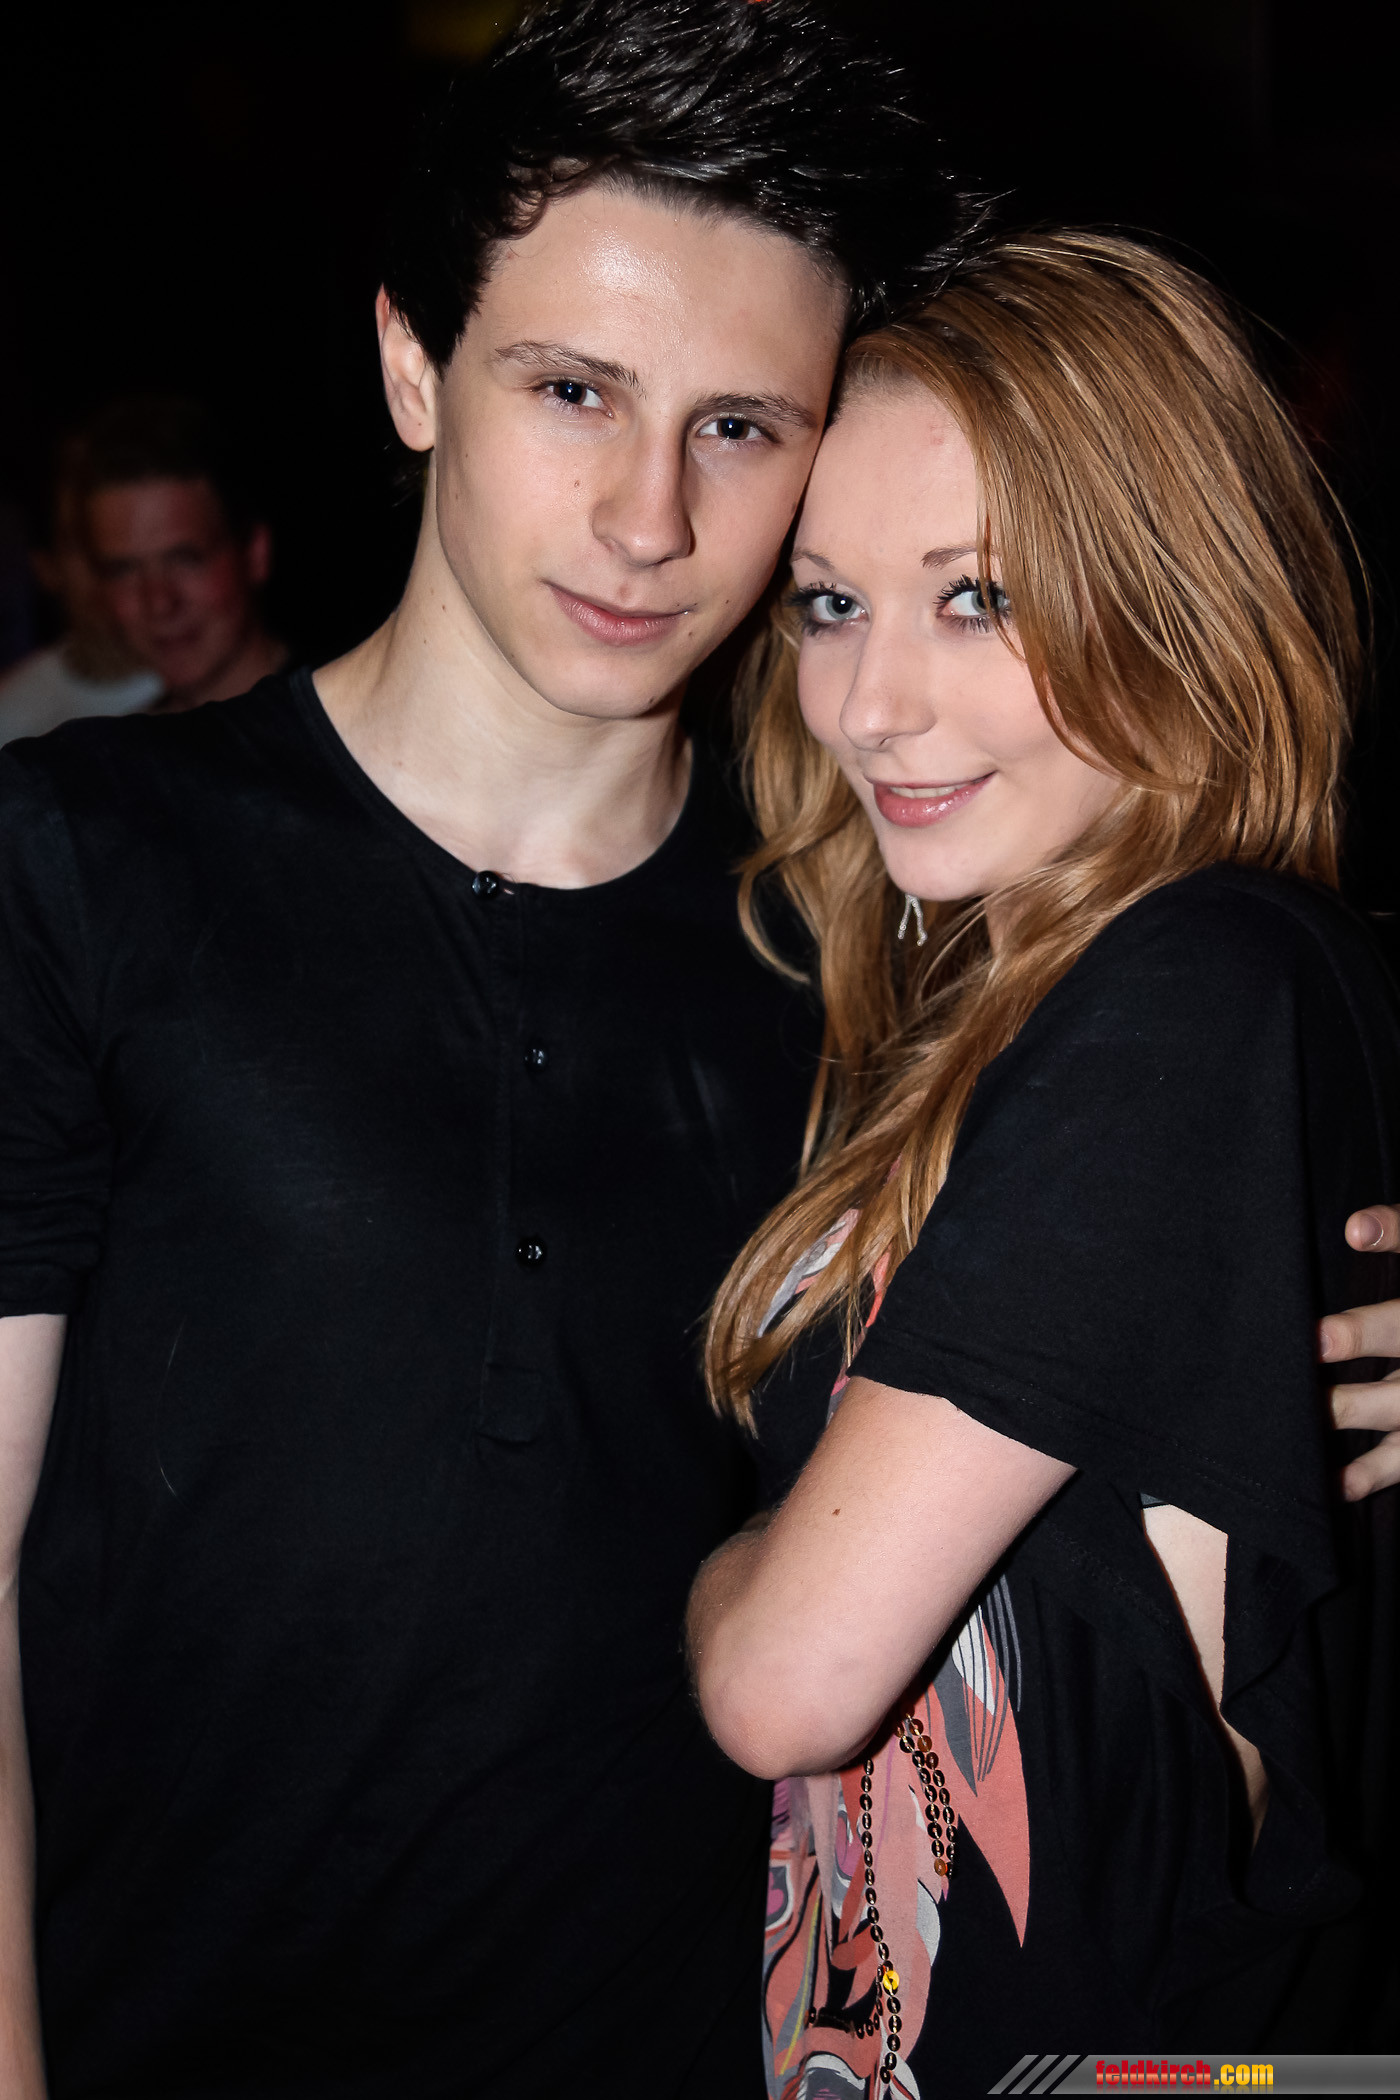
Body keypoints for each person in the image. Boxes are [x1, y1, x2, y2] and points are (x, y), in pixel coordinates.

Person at [0, 4, 979, 2094]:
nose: (648, 516)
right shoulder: (74, 862)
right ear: (409, 366)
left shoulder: (865, 944)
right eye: (574, 390)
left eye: (741, 427)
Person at [687, 232, 1400, 2092]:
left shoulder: (1202, 981)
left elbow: (785, 1681)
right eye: (830, 604)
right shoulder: (987, 998)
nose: (873, 704)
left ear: (1173, 590)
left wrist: (715, 1573)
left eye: (977, 597)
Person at [78, 394, 288, 712]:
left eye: (184, 560)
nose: (159, 603)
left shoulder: (345, 725)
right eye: (123, 571)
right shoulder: (119, 741)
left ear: (255, 554)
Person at [0, 435, 163, 745]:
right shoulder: (9, 718)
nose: (102, 563)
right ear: (46, 566)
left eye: (118, 539)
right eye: (80, 542)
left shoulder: (209, 678)